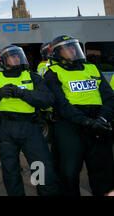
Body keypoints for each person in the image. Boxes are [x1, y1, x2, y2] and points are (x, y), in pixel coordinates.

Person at [0, 45, 60, 196]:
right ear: (3, 61)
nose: (17, 59)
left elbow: (47, 99)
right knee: (10, 170)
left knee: (39, 166)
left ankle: (43, 192)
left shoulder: (32, 76)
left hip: (30, 128)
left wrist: (22, 93)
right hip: (6, 128)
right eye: (12, 56)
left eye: (18, 56)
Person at [44, 35, 114, 196]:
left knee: (104, 173)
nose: (72, 51)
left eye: (73, 47)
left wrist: (102, 119)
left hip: (98, 122)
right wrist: (86, 122)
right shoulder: (52, 73)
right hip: (71, 125)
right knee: (69, 173)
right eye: (66, 49)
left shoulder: (92, 68)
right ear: (56, 54)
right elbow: (61, 104)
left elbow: (109, 97)